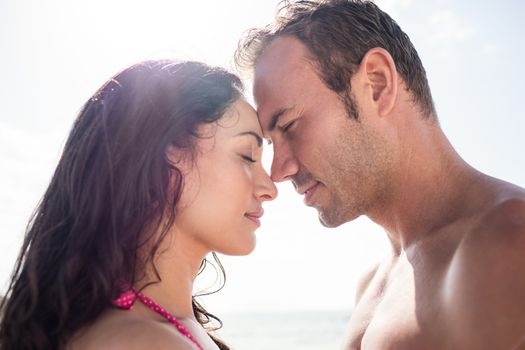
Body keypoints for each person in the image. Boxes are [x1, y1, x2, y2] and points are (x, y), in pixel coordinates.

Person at [235, 0, 525, 349]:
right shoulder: (372, 283)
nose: (278, 171)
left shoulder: (510, 243)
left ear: (376, 84)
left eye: (289, 126)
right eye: (271, 142)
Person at [0, 60, 277, 350]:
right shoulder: (144, 341)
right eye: (247, 155)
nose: (269, 188)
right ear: (167, 160)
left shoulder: (163, 327)